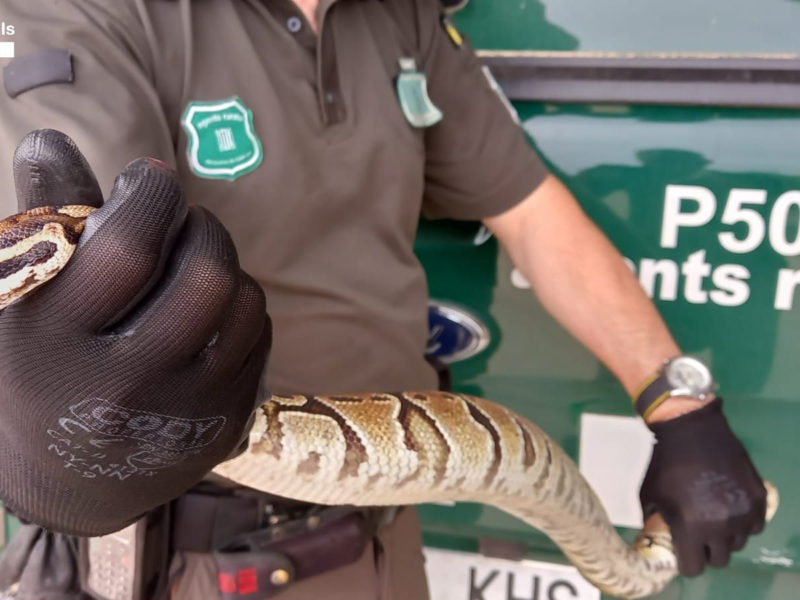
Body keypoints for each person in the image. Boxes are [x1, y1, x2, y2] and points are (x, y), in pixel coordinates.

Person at [0, 0, 767, 598]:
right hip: (196, 555)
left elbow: (531, 213)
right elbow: (89, 281)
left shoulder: (400, 17)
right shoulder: (93, 12)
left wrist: (679, 403)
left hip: (385, 535)